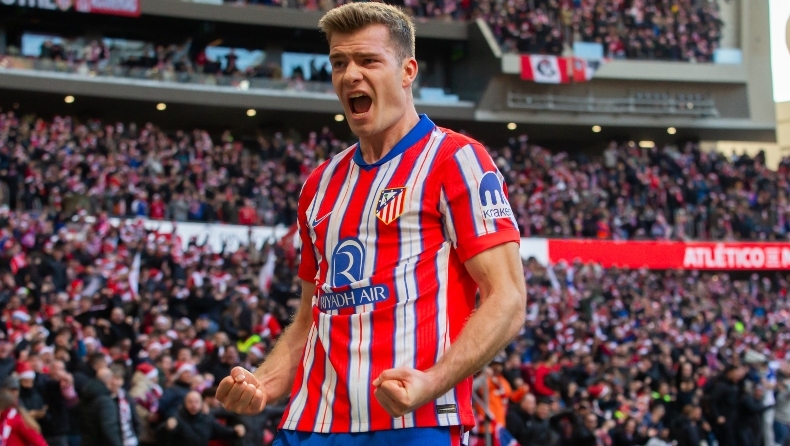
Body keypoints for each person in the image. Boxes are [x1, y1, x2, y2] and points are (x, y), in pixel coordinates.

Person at [216, 2, 526, 445]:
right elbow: (309, 319)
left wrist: (432, 381)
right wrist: (261, 384)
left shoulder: (456, 160)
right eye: (339, 63)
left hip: (411, 423)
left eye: (368, 60)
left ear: (407, 71)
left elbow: (508, 298)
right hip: (312, 424)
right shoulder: (319, 184)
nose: (350, 75)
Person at [158, 391, 245, 446]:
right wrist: (166, 427)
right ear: (185, 403)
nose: (193, 405)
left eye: (196, 402)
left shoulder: (207, 419)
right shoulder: (177, 418)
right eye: (190, 402)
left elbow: (223, 432)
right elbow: (160, 436)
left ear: (201, 404)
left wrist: (236, 431)